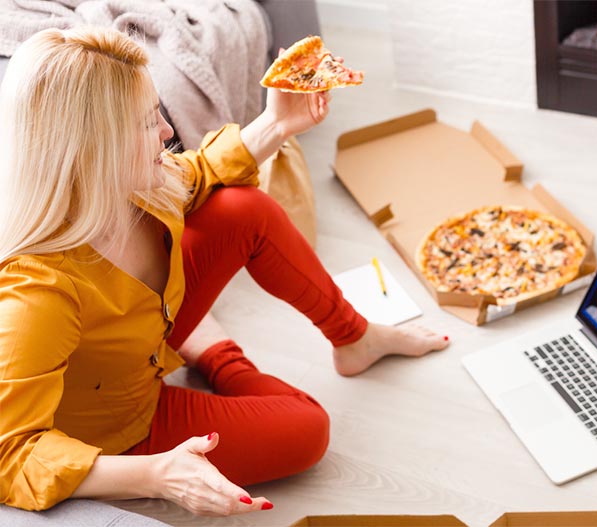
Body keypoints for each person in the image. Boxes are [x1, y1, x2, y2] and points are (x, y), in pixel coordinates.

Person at [0, 27, 449, 516]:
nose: (168, 133)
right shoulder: (37, 292)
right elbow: (10, 455)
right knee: (308, 430)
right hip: (122, 428)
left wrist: (277, 122)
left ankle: (353, 337)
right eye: (149, 123)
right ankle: (217, 356)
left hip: (147, 339)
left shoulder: (135, 187)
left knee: (240, 208)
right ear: (95, 148)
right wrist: (158, 473)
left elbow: (206, 169)